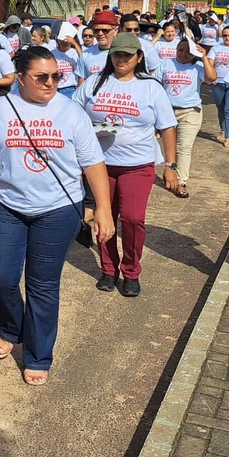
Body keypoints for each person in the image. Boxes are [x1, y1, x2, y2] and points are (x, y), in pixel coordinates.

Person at [0, 47, 113, 384]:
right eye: (41, 77)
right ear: (20, 78)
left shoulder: (71, 112)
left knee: (42, 284)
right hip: (7, 206)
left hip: (58, 209)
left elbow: (93, 162)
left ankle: (38, 355)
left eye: (56, 76)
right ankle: (11, 327)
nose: (51, 83)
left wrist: (103, 208)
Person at [74, 33, 178, 297]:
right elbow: (73, 114)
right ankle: (109, 269)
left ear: (139, 57)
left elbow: (167, 126)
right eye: (117, 54)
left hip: (137, 165)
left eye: (127, 55)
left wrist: (171, 165)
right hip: (100, 166)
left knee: (132, 219)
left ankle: (131, 271)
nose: (121, 59)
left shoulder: (151, 87)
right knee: (104, 216)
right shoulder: (95, 82)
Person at [156, 39, 217, 199]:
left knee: (183, 147)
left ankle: (181, 182)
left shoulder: (198, 67)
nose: (183, 54)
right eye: (180, 50)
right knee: (166, 147)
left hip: (190, 112)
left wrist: (204, 57)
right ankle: (168, 171)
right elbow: (153, 82)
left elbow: (211, 78)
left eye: (188, 52)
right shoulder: (166, 64)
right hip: (167, 112)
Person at [76, 10, 119, 80]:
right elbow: (81, 84)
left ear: (115, 31)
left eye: (105, 30)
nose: (100, 33)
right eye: (96, 30)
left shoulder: (123, 55)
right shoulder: (85, 55)